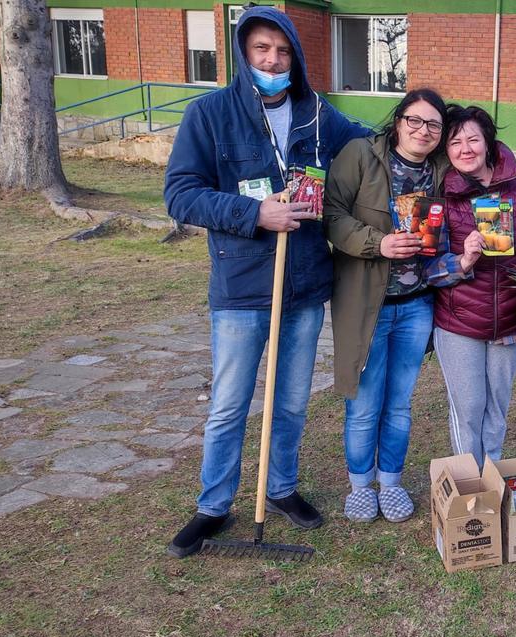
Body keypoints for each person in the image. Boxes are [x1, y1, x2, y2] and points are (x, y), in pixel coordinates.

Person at [162, 6, 371, 558]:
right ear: (243, 54)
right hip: (241, 285)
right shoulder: (210, 114)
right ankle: (213, 506)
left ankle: (280, 489)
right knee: (230, 405)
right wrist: (255, 214)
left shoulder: (320, 115)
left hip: (303, 286)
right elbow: (180, 193)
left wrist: (440, 136)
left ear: (295, 56)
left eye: (282, 51)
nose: (273, 60)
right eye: (261, 50)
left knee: (292, 402)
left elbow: (377, 143)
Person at [325, 89, 450, 524]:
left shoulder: (441, 170)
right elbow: (333, 216)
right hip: (366, 305)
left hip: (417, 307)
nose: (423, 131)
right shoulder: (361, 155)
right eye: (415, 120)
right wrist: (380, 243)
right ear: (398, 121)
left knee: (399, 403)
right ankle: (361, 486)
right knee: (363, 403)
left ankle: (391, 482)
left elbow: (487, 155)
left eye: (434, 124)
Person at [427, 105, 516, 468]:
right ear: (446, 150)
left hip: (512, 318)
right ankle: (470, 484)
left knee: (497, 406)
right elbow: (427, 268)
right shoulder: (441, 192)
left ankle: (493, 475)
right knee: (469, 409)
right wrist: (463, 261)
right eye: (455, 142)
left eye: (473, 139)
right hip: (459, 322)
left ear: (488, 142)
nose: (465, 149)